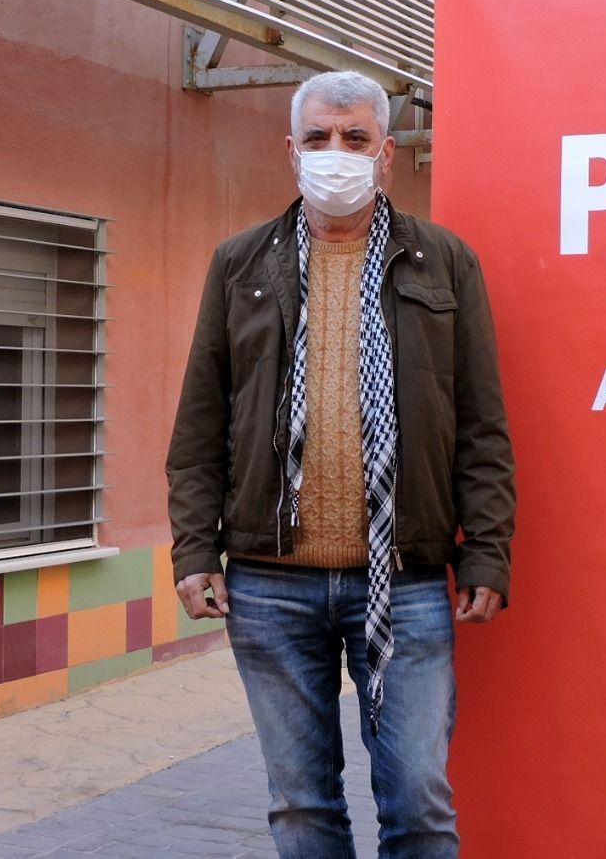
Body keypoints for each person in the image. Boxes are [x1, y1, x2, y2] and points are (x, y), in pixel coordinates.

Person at [166, 69, 515, 859]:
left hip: (410, 580)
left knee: (419, 803)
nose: (336, 153)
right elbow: (200, 424)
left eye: (355, 139)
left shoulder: (445, 263)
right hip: (269, 579)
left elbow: (482, 425)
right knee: (301, 806)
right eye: (319, 138)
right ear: (291, 150)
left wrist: (488, 546)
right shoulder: (239, 264)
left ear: (386, 154)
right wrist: (194, 548)